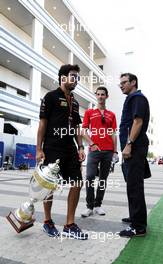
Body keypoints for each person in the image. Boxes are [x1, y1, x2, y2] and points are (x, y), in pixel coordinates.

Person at [36, 64, 88, 240]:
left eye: (77, 77)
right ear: (62, 77)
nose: (76, 80)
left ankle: (69, 224)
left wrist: (80, 147)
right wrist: (39, 149)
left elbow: (76, 127)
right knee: (49, 185)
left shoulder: (74, 102)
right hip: (52, 147)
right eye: (73, 76)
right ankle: (48, 221)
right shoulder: (50, 97)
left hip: (70, 149)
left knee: (77, 183)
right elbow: (42, 125)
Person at [118, 73, 150, 238]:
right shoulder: (132, 98)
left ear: (133, 82)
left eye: (124, 82)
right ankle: (135, 217)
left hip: (134, 148)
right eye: (120, 83)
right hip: (132, 148)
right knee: (132, 184)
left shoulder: (138, 98)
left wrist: (129, 144)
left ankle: (138, 227)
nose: (121, 85)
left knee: (134, 186)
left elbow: (138, 122)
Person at [81, 86, 118, 217]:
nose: (101, 96)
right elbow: (83, 131)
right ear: (96, 96)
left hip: (108, 151)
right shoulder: (89, 113)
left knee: (103, 179)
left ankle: (98, 205)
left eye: (103, 94)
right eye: (98, 94)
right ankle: (89, 206)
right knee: (90, 177)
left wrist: (115, 152)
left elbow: (113, 134)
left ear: (106, 96)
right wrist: (92, 144)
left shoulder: (111, 115)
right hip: (94, 150)